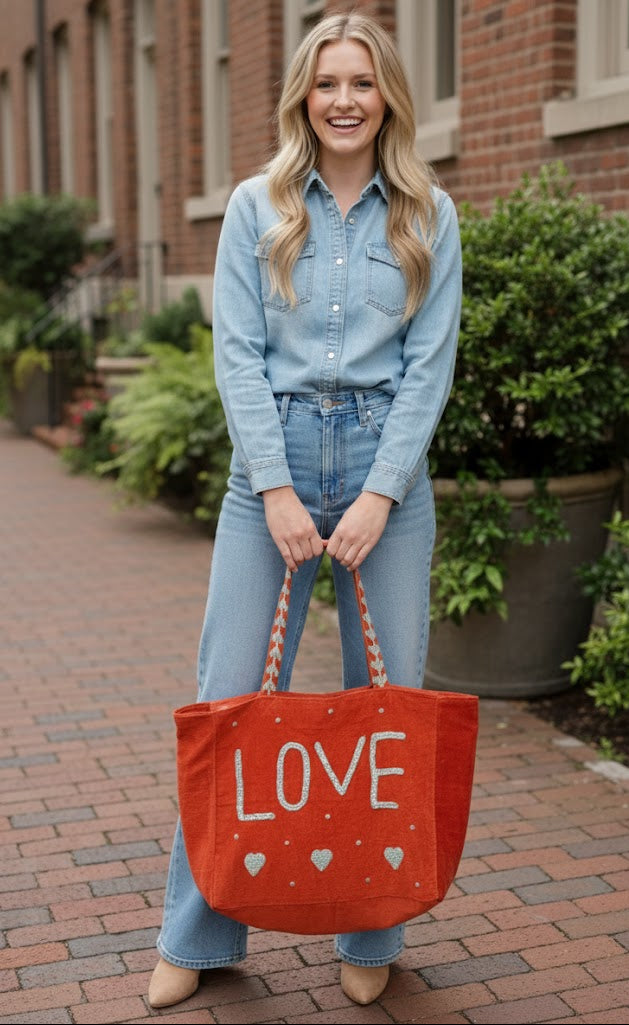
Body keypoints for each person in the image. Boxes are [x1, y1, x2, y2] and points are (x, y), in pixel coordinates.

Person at [148, 11, 462, 1010]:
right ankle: (195, 934)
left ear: (386, 99)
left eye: (360, 83)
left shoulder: (427, 213)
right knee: (229, 700)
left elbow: (429, 369)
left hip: (386, 477)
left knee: (387, 709)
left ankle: (370, 927)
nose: (341, 99)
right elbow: (235, 356)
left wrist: (379, 492)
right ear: (301, 95)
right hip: (268, 475)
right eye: (325, 82)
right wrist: (276, 487)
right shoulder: (254, 205)